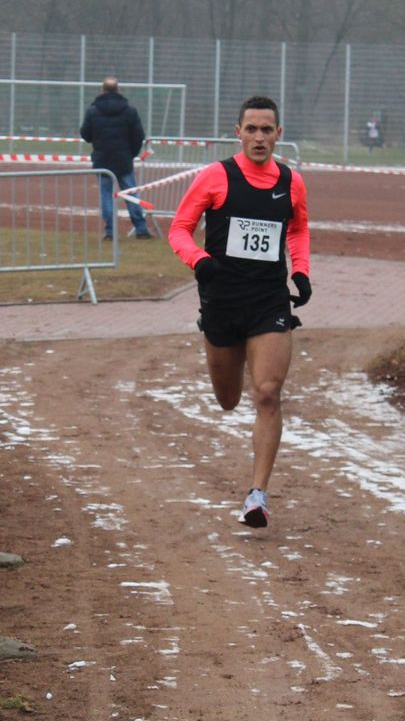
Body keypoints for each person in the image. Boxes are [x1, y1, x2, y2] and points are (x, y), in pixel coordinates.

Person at [168, 96, 312, 528]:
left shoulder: (292, 182)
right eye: (252, 129)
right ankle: (225, 356)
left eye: (267, 129)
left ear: (279, 134)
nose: (259, 137)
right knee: (228, 400)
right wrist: (199, 261)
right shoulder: (216, 176)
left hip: (269, 301)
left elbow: (298, 229)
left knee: (267, 392)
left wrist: (301, 271)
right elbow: (179, 229)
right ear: (238, 133)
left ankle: (257, 495)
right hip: (222, 302)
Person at [80, 76, 152, 240]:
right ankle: (140, 228)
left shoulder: (93, 111)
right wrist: (131, 153)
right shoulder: (130, 111)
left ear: (102, 90)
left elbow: (85, 134)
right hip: (123, 159)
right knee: (131, 193)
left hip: (102, 160)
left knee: (106, 195)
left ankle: (110, 231)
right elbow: (138, 136)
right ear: (118, 90)